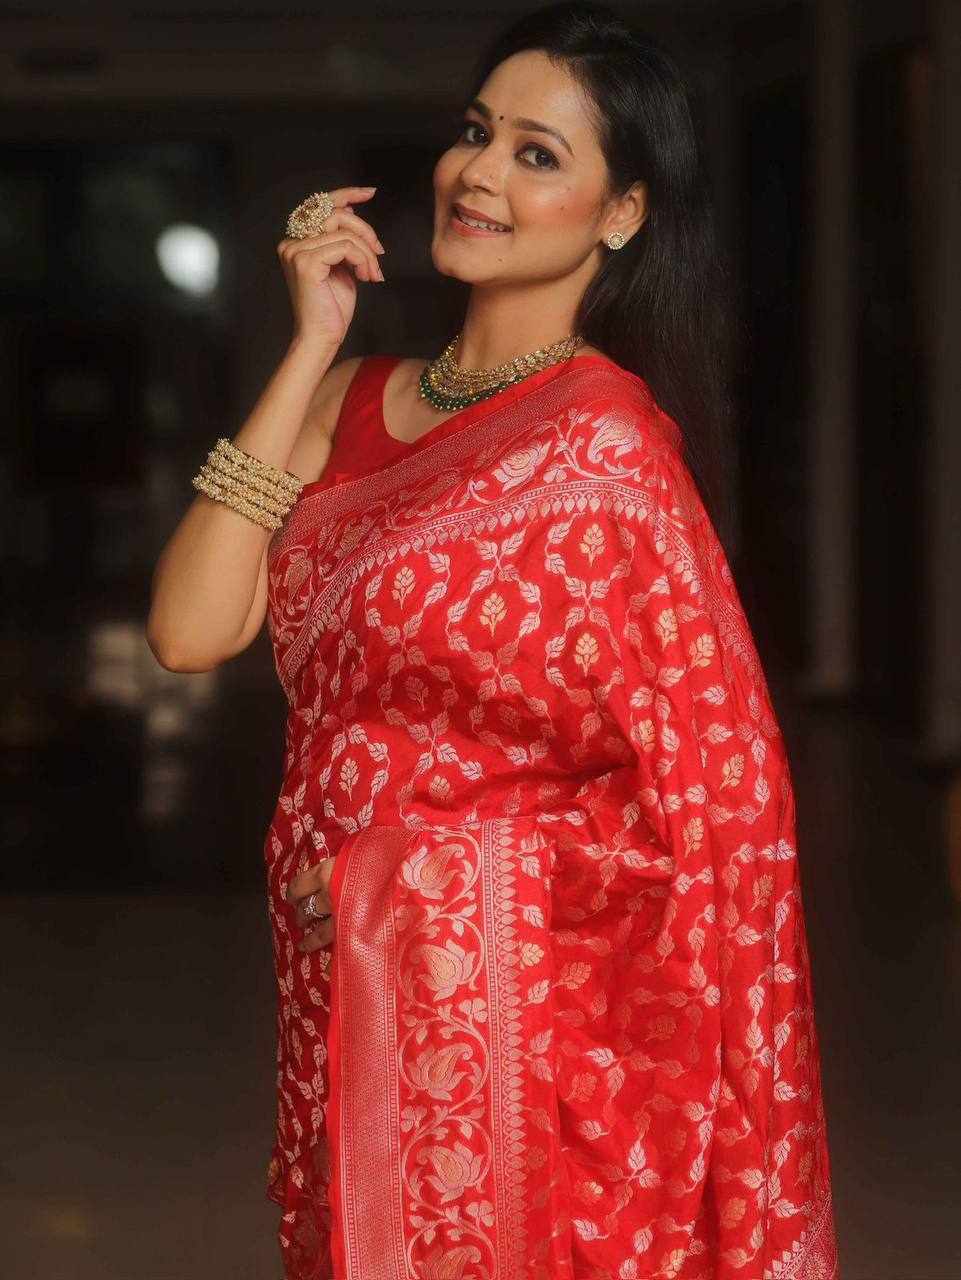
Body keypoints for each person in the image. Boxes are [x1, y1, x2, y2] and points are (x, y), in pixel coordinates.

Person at [146, 3, 840, 1277]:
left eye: (537, 154)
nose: (478, 174)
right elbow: (190, 631)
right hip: (339, 988)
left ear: (620, 212)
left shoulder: (605, 451)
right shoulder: (353, 395)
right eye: (476, 133)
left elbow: (714, 804)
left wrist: (415, 880)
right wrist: (311, 343)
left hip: (516, 1023)